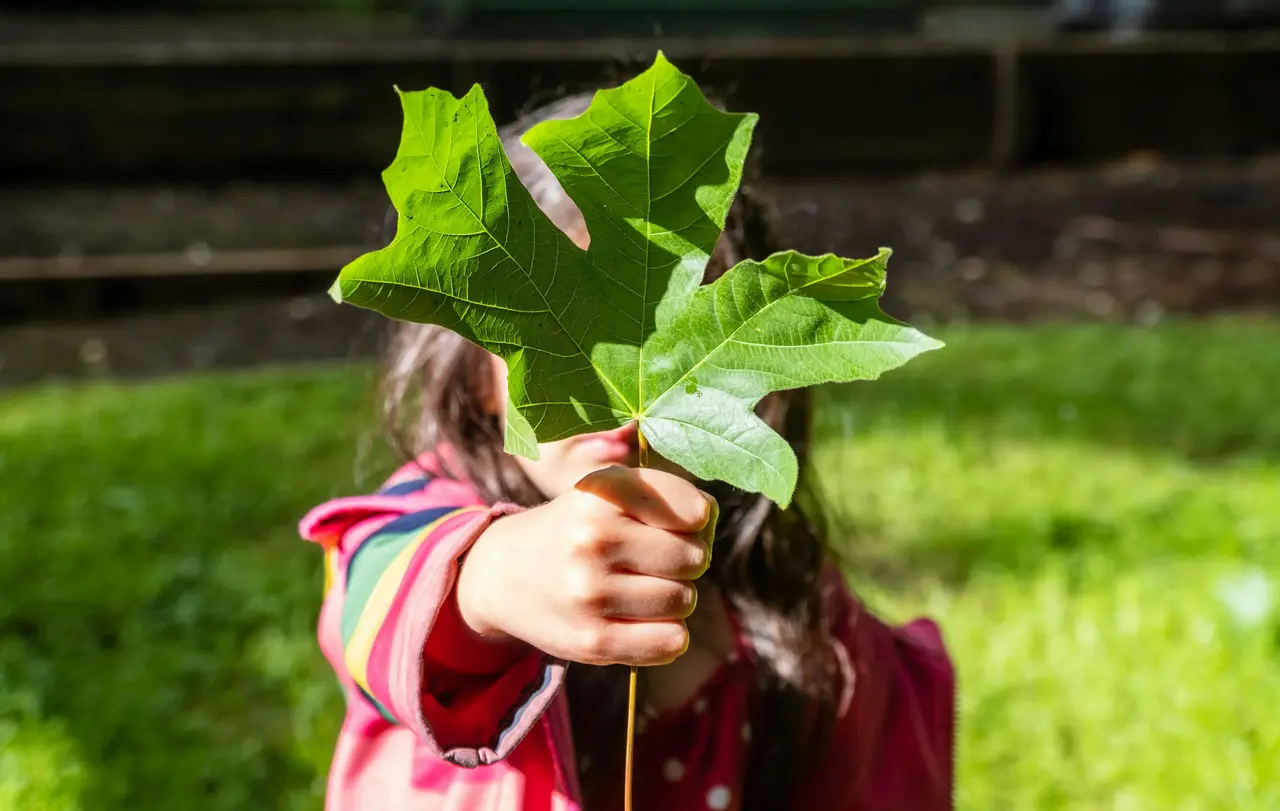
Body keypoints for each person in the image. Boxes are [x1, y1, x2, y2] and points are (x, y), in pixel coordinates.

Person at [300, 92, 955, 811]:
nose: (613, 382)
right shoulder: (422, 520)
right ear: (478, 376)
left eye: (665, 335)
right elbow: (373, 600)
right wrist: (490, 581)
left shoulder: (799, 609)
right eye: (560, 338)